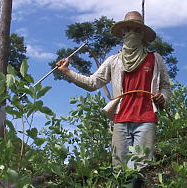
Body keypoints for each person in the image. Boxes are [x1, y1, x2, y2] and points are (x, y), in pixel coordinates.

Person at [56, 11, 171, 188]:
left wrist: (163, 97)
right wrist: (67, 72)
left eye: (136, 29)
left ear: (142, 34)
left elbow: (165, 86)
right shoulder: (114, 61)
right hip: (121, 119)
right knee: (119, 167)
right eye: (128, 28)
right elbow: (92, 82)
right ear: (123, 33)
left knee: (140, 167)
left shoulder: (155, 59)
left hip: (146, 118)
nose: (132, 32)